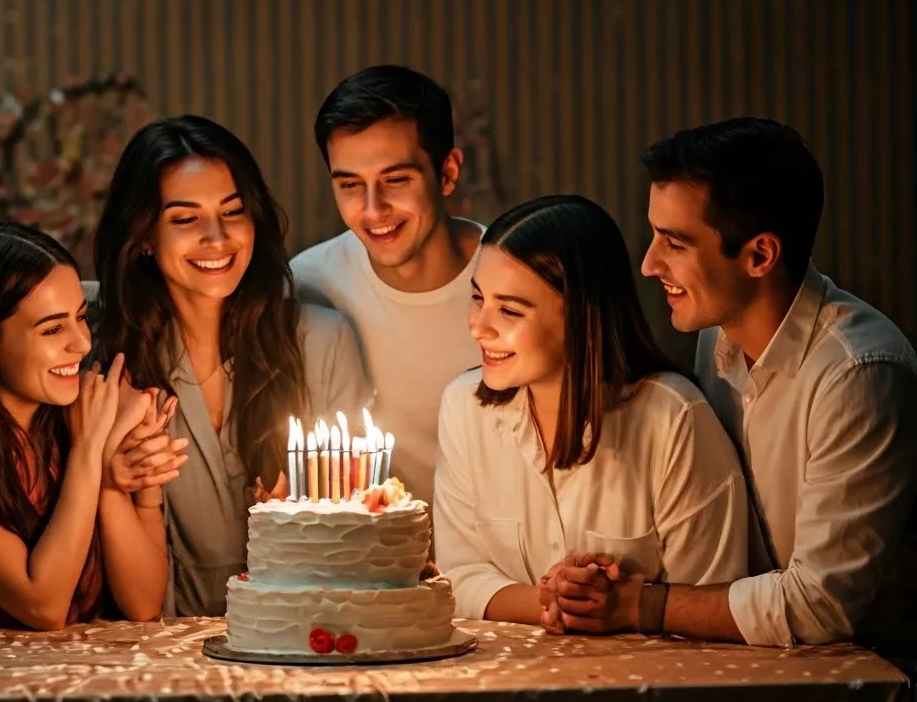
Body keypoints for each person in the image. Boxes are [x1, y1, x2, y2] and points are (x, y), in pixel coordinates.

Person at [550, 118, 917, 651]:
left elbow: (820, 607)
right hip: (758, 663)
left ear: (760, 256)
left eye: (675, 243)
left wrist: (637, 604)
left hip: (872, 681)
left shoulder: (859, 373)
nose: (650, 265)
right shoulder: (715, 338)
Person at [92, 115, 372, 616]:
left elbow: (355, 544)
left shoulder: (323, 343)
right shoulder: (108, 368)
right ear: (144, 237)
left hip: (303, 636)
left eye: (233, 211)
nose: (217, 237)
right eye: (185, 219)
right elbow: (139, 604)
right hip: (164, 662)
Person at [433, 195, 749, 627]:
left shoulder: (673, 419)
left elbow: (712, 596)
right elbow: (459, 576)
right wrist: (553, 601)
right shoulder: (463, 407)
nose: (478, 325)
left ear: (580, 317)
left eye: (508, 309)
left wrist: (621, 605)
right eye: (477, 298)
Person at [0, 223, 180, 628]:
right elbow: (42, 605)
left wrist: (113, 484)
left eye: (81, 317)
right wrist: (89, 450)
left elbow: (145, 604)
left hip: (91, 677)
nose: (81, 343)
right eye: (53, 328)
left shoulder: (79, 410)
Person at [291, 65, 484, 505]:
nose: (374, 209)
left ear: (448, 172)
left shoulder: (519, 279)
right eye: (350, 185)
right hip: (372, 564)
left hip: (512, 567)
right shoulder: (309, 285)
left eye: (396, 180)